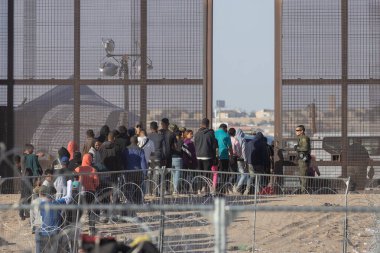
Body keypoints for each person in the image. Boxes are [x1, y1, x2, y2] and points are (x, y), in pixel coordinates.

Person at [35, 180, 73, 253]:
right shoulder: (58, 203)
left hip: (44, 233)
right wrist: (69, 183)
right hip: (55, 233)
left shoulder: (41, 204)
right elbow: (69, 197)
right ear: (53, 195)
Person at [74, 153, 100, 235]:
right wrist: (93, 186)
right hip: (91, 192)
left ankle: (77, 229)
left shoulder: (77, 169)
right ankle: (92, 230)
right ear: (90, 160)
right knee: (91, 211)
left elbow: (75, 181)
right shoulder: (93, 170)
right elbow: (97, 182)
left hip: (80, 192)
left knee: (79, 211)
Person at [121, 136, 148, 205]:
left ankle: (130, 202)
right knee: (138, 187)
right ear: (137, 142)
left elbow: (123, 161)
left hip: (128, 171)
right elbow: (143, 163)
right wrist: (145, 173)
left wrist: (123, 170)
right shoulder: (140, 150)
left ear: (130, 141)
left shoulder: (125, 149)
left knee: (128, 187)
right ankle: (138, 202)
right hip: (138, 172)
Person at [194, 118, 218, 194]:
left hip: (198, 156)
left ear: (201, 123)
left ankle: (198, 189)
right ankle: (204, 188)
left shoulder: (197, 133)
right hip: (207, 156)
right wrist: (214, 158)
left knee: (199, 173)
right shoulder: (211, 134)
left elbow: (195, 144)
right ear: (208, 124)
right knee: (206, 173)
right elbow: (214, 147)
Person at [148, 121, 165, 196]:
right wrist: (164, 158)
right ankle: (156, 191)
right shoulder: (161, 136)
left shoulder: (148, 137)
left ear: (150, 128)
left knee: (149, 174)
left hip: (149, 158)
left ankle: (149, 191)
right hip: (158, 157)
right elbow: (164, 149)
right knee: (157, 174)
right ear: (157, 128)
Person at [215, 124, 233, 193]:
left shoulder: (214, 133)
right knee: (224, 173)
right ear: (225, 128)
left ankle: (214, 187)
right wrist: (231, 157)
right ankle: (222, 189)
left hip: (215, 156)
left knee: (215, 173)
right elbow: (230, 147)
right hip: (224, 157)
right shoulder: (226, 135)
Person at [294, 125, 311, 193]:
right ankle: (303, 190)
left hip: (303, 159)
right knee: (301, 176)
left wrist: (297, 148)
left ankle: (304, 191)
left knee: (303, 176)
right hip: (301, 159)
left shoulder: (304, 138)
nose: (296, 132)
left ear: (302, 131)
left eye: (298, 130)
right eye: (296, 130)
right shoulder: (300, 138)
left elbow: (305, 148)